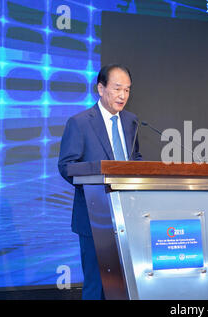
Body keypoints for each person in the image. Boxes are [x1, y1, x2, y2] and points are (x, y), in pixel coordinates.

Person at [58, 64, 142, 299]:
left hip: (128, 216)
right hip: (94, 217)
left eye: (127, 90)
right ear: (101, 88)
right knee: (97, 287)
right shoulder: (81, 122)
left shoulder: (131, 121)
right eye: (117, 89)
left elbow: (135, 159)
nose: (123, 96)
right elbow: (66, 165)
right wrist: (97, 177)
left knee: (124, 287)